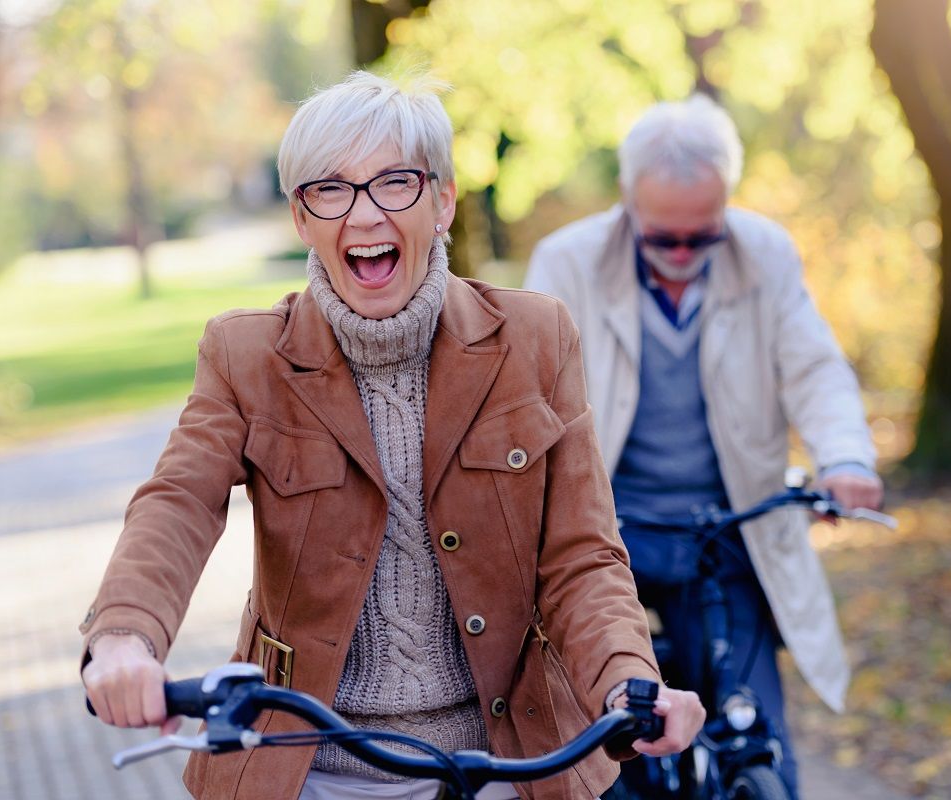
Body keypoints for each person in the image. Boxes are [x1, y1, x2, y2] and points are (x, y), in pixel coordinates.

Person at [80, 71, 704, 800]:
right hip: (311, 770)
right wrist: (125, 637)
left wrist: (630, 681)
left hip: (504, 762)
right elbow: (176, 503)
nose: (365, 215)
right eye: (330, 189)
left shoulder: (536, 340)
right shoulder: (245, 356)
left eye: (395, 183)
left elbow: (582, 558)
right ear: (300, 217)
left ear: (442, 202)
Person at [523, 95, 883, 798]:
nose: (684, 254)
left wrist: (846, 459)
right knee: (601, 741)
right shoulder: (566, 263)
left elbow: (813, 368)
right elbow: (520, 399)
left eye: (704, 237)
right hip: (602, 540)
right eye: (665, 239)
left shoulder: (766, 254)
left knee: (758, 735)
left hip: (725, 533)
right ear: (628, 205)